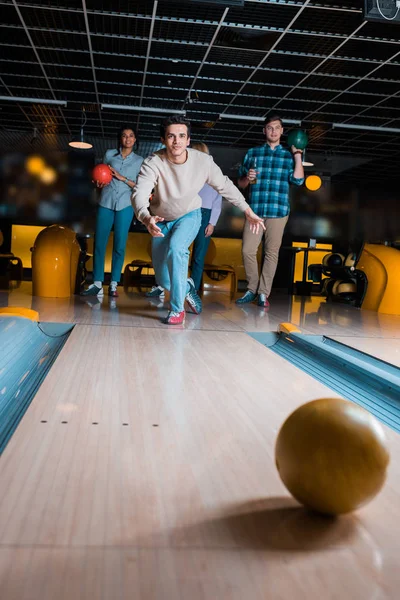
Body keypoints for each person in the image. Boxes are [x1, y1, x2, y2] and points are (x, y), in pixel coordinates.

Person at [132, 114, 265, 325]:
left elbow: (225, 185)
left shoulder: (203, 162)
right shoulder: (153, 162)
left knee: (177, 249)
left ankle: (177, 310)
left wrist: (247, 210)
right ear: (163, 139)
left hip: (189, 215)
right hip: (160, 219)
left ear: (188, 140)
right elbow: (139, 193)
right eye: (171, 136)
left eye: (181, 136)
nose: (176, 141)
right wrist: (146, 217)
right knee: (164, 278)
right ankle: (187, 289)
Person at [235, 113, 305, 308]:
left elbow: (298, 180)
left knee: (271, 253)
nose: (273, 131)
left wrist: (298, 156)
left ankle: (264, 293)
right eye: (269, 128)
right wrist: (247, 178)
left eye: (277, 128)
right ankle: (252, 289)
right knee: (248, 250)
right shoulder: (253, 153)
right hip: (255, 211)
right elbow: (241, 184)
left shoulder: (288, 157)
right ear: (264, 130)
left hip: (279, 210)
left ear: (282, 131)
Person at [145, 141, 222, 297]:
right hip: (184, 212)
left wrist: (212, 223)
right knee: (172, 250)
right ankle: (164, 285)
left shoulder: (210, 173)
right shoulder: (182, 173)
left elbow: (218, 200)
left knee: (198, 255)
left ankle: (190, 289)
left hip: (205, 215)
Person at [81, 126, 143, 298]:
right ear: (120, 139)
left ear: (135, 139)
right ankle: (97, 283)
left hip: (125, 205)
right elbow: (100, 176)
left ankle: (114, 284)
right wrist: (98, 183)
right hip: (106, 202)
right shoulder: (109, 155)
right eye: (124, 136)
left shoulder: (140, 161)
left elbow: (141, 186)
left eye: (131, 136)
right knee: (99, 243)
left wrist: (122, 178)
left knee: (119, 245)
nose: (127, 139)